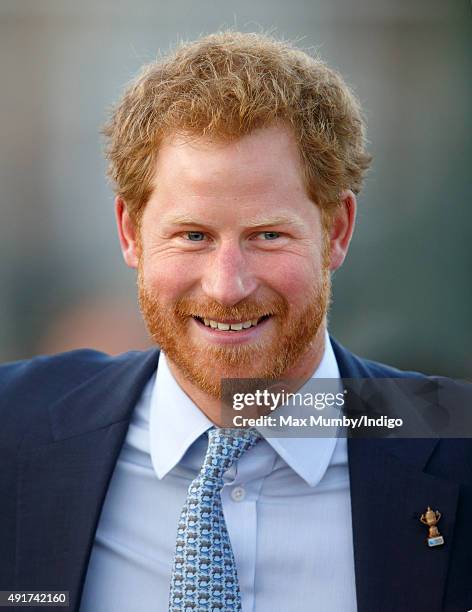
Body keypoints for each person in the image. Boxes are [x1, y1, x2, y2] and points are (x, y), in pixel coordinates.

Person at [0, 31, 470, 612]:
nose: (228, 285)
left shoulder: (453, 437)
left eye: (267, 235)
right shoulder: (13, 429)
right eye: (192, 235)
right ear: (129, 232)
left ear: (338, 231)